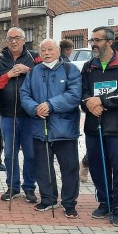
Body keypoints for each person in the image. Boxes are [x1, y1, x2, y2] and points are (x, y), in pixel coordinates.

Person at [81, 26, 118, 227]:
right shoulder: (88, 66)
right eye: (92, 40)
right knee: (97, 167)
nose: (94, 44)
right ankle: (105, 202)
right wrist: (89, 102)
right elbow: (82, 93)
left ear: (110, 42)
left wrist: (102, 101)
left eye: (98, 40)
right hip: (93, 126)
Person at [20, 39, 82, 218]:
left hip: (65, 130)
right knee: (43, 167)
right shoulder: (34, 72)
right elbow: (24, 94)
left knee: (69, 168)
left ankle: (69, 203)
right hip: (40, 128)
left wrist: (50, 105)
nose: (46, 53)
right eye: (43, 50)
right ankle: (48, 198)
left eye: (50, 49)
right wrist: (34, 108)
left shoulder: (70, 70)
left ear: (58, 51)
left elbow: (74, 95)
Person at [0, 27, 41, 203]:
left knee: (30, 153)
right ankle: (12, 187)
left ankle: (29, 188)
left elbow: (44, 76)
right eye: (10, 38)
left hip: (30, 114)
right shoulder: (0, 60)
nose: (13, 41)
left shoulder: (34, 57)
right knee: (9, 154)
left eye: (17, 38)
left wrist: (28, 70)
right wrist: (8, 75)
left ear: (23, 40)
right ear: (6, 41)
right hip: (7, 113)